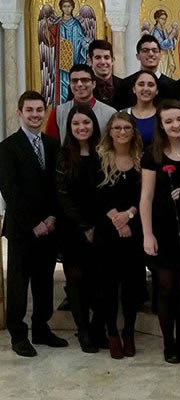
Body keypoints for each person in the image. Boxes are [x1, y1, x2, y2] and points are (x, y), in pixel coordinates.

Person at [0, 91, 67, 357]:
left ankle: (41, 328)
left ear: (45, 112)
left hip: (49, 228)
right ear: (20, 113)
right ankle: (18, 335)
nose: (35, 115)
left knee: (44, 282)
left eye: (39, 110)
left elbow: (57, 187)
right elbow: (10, 191)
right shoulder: (7, 147)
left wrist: (52, 218)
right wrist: (33, 223)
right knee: (18, 284)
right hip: (22, 230)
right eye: (30, 110)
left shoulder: (52, 146)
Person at [140, 100, 180, 364]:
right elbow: (146, 197)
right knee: (165, 288)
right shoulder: (152, 155)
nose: (176, 125)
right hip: (162, 228)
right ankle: (168, 343)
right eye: (169, 121)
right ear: (162, 125)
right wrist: (147, 234)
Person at [95, 112, 145, 359]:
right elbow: (95, 195)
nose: (122, 132)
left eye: (127, 127)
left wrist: (130, 215)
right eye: (117, 128)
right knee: (108, 285)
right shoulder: (99, 158)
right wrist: (117, 218)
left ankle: (128, 332)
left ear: (133, 131)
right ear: (110, 131)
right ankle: (112, 332)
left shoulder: (141, 159)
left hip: (135, 231)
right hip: (107, 232)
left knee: (132, 286)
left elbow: (145, 194)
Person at [54, 105, 104, 353]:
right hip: (72, 227)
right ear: (70, 127)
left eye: (86, 123)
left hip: (101, 225)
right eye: (76, 124)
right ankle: (83, 330)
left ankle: (97, 329)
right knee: (76, 280)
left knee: (99, 280)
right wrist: (84, 227)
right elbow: (63, 196)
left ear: (94, 124)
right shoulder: (64, 155)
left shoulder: (104, 152)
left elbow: (107, 190)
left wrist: (96, 225)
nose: (82, 127)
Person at [45, 64, 117, 143]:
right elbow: (51, 146)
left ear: (94, 84)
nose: (79, 84)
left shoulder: (110, 114)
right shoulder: (58, 113)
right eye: (75, 81)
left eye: (85, 80)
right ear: (70, 84)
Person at [113, 35, 176, 110]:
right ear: (138, 56)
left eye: (154, 50)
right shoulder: (125, 84)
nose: (150, 54)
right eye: (145, 50)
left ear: (160, 55)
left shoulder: (173, 86)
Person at [122, 71, 159, 146]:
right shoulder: (123, 114)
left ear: (157, 91)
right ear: (134, 89)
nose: (145, 88)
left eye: (150, 85)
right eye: (141, 84)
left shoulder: (162, 115)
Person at [88, 40, 122, 108]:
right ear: (90, 61)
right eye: (98, 57)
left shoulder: (125, 85)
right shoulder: (84, 87)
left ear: (112, 60)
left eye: (106, 57)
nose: (103, 62)